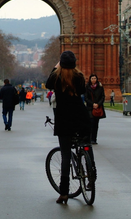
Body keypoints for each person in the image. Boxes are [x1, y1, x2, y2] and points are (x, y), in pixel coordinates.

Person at [45, 50, 94, 205]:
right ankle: (91, 178)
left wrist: (56, 67)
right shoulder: (79, 77)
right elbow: (82, 91)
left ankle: (64, 193)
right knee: (87, 145)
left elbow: (47, 85)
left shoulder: (56, 77)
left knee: (66, 155)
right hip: (81, 117)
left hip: (64, 119)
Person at [84, 74, 106, 145]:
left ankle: (94, 139)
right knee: (90, 123)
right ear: (90, 79)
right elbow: (86, 98)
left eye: (95, 78)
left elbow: (103, 97)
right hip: (90, 108)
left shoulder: (100, 87)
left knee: (96, 124)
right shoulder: (87, 87)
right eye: (92, 78)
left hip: (98, 108)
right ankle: (89, 138)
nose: (93, 80)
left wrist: (98, 104)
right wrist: (92, 104)